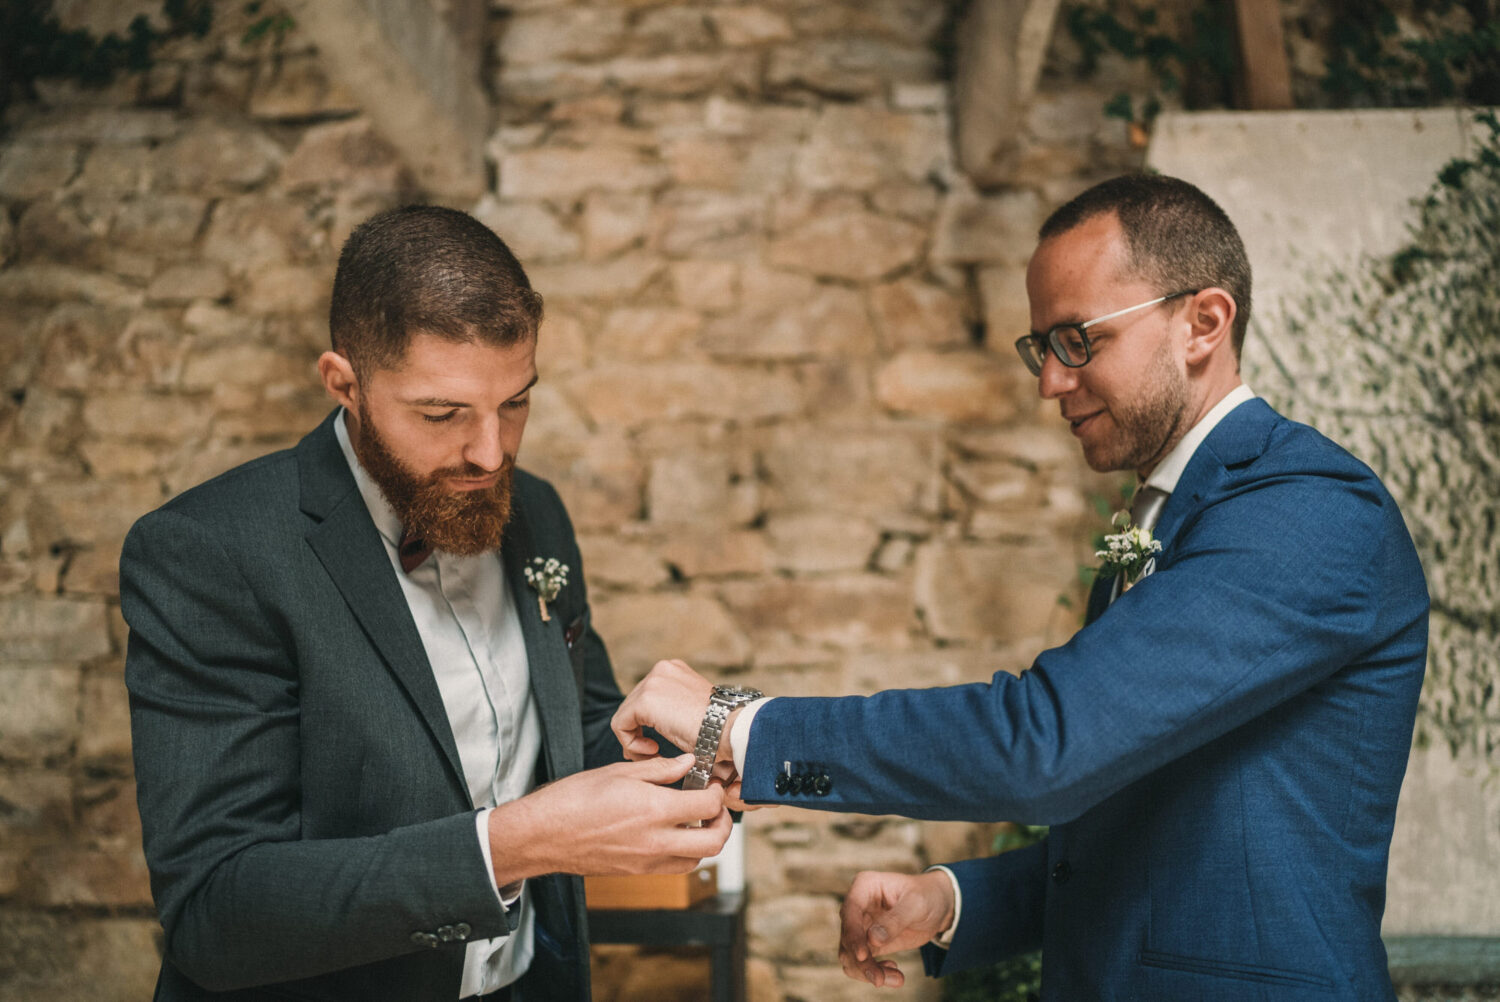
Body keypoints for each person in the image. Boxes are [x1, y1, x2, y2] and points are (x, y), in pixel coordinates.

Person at [613, 174, 1429, 1001]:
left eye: (1079, 340)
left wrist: (738, 725)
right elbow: (1158, 838)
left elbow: (1045, 746)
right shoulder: (1171, 512)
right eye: (1043, 347)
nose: (1051, 383)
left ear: (1203, 323)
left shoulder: (1310, 513)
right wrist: (956, 902)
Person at [122, 205, 731, 1002]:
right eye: (442, 415)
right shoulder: (211, 551)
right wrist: (511, 844)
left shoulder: (534, 510)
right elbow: (218, 909)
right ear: (345, 383)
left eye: (515, 402)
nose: (490, 451)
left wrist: (709, 747)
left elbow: (573, 733)